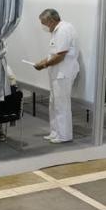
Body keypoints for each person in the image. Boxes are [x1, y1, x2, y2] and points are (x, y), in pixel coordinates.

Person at [32, 9, 80, 144]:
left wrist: (44, 65)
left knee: (61, 105)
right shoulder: (57, 30)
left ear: (51, 20)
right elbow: (53, 53)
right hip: (57, 73)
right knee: (53, 104)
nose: (44, 27)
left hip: (63, 74)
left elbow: (60, 55)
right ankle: (55, 132)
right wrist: (43, 61)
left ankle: (64, 135)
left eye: (44, 23)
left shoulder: (63, 30)